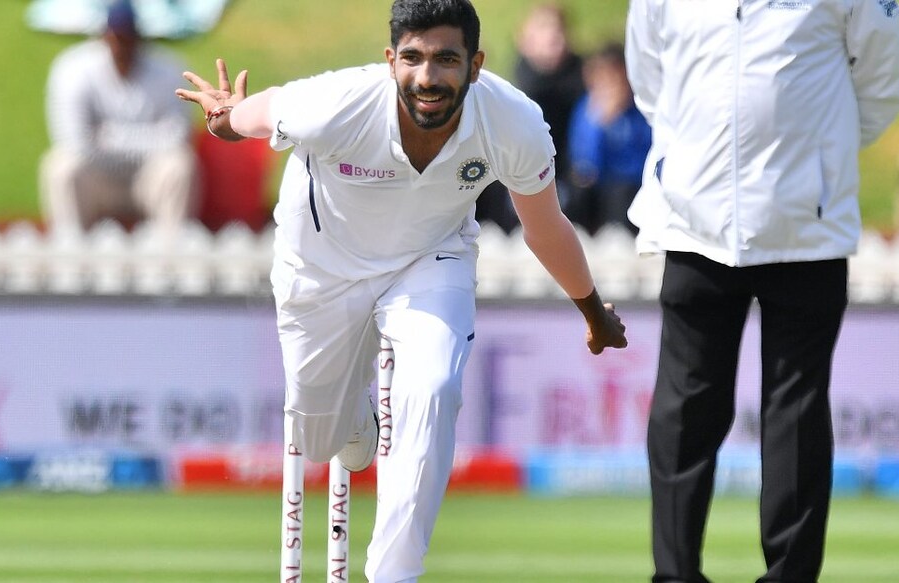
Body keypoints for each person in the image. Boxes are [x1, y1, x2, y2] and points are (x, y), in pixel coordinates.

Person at [176, 1, 628, 581]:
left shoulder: (511, 119)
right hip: (320, 262)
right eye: (413, 58)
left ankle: (395, 573)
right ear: (390, 61)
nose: (429, 76)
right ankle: (353, 420)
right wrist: (222, 118)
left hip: (429, 257)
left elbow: (544, 226)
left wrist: (592, 310)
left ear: (475, 64)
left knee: (434, 388)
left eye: (446, 59)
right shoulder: (336, 104)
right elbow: (246, 117)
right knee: (321, 441)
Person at [626, 1, 899, 582]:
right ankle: (674, 574)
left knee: (796, 412)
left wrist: (818, 157)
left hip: (805, 226)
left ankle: (791, 574)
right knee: (686, 407)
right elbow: (650, 78)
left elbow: (883, 82)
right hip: (694, 221)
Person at [40, 0, 197, 234]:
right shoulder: (72, 68)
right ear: (103, 37)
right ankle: (72, 259)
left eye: (128, 36)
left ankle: (169, 259)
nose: (121, 45)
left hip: (147, 176)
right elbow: (73, 140)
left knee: (180, 165)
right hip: (96, 176)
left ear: (139, 36)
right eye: (116, 36)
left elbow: (177, 135)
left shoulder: (168, 69)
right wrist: (144, 139)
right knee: (61, 167)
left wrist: (109, 136)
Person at [476, 2, 586, 234]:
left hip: (566, 172)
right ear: (524, 39)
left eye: (557, 33)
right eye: (544, 32)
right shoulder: (517, 85)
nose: (552, 40)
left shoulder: (581, 84)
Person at [566, 41, 651, 235]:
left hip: (629, 185)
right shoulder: (587, 109)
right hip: (598, 187)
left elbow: (646, 155)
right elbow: (585, 162)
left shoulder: (640, 112)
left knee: (622, 193)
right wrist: (599, 123)